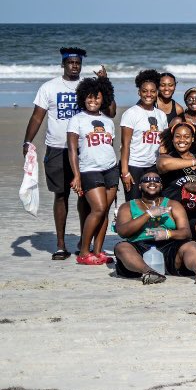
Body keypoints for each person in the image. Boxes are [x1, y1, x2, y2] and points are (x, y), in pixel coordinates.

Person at [25, 47, 102, 260]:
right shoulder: (49, 87)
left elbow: (106, 110)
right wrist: (27, 141)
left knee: (85, 196)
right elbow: (37, 117)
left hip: (84, 149)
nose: (74, 66)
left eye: (78, 63)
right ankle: (60, 244)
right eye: (70, 62)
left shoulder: (86, 87)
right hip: (57, 149)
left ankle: (82, 242)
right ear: (63, 64)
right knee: (61, 195)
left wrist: (104, 83)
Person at [112, 170, 196, 285]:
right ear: (140, 186)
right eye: (147, 180)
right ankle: (149, 272)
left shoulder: (173, 205)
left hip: (169, 246)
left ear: (161, 186)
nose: (152, 183)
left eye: (156, 180)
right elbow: (122, 231)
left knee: (190, 244)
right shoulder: (127, 206)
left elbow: (186, 232)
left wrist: (167, 234)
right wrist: (148, 215)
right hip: (138, 246)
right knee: (121, 247)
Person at [66, 75, 119, 265]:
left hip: (111, 169)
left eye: (97, 97)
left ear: (103, 98)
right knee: (98, 209)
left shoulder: (108, 121)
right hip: (89, 170)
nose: (93, 101)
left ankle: (98, 251)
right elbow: (72, 150)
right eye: (89, 97)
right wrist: (76, 175)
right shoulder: (77, 120)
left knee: (104, 212)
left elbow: (108, 146)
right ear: (83, 98)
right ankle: (83, 251)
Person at [119, 69, 166, 201]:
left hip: (153, 165)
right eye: (144, 91)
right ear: (139, 92)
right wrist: (124, 172)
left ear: (157, 92)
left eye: (152, 91)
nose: (148, 94)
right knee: (133, 203)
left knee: (153, 202)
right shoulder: (131, 113)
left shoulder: (161, 115)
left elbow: (162, 143)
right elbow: (125, 145)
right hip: (134, 166)